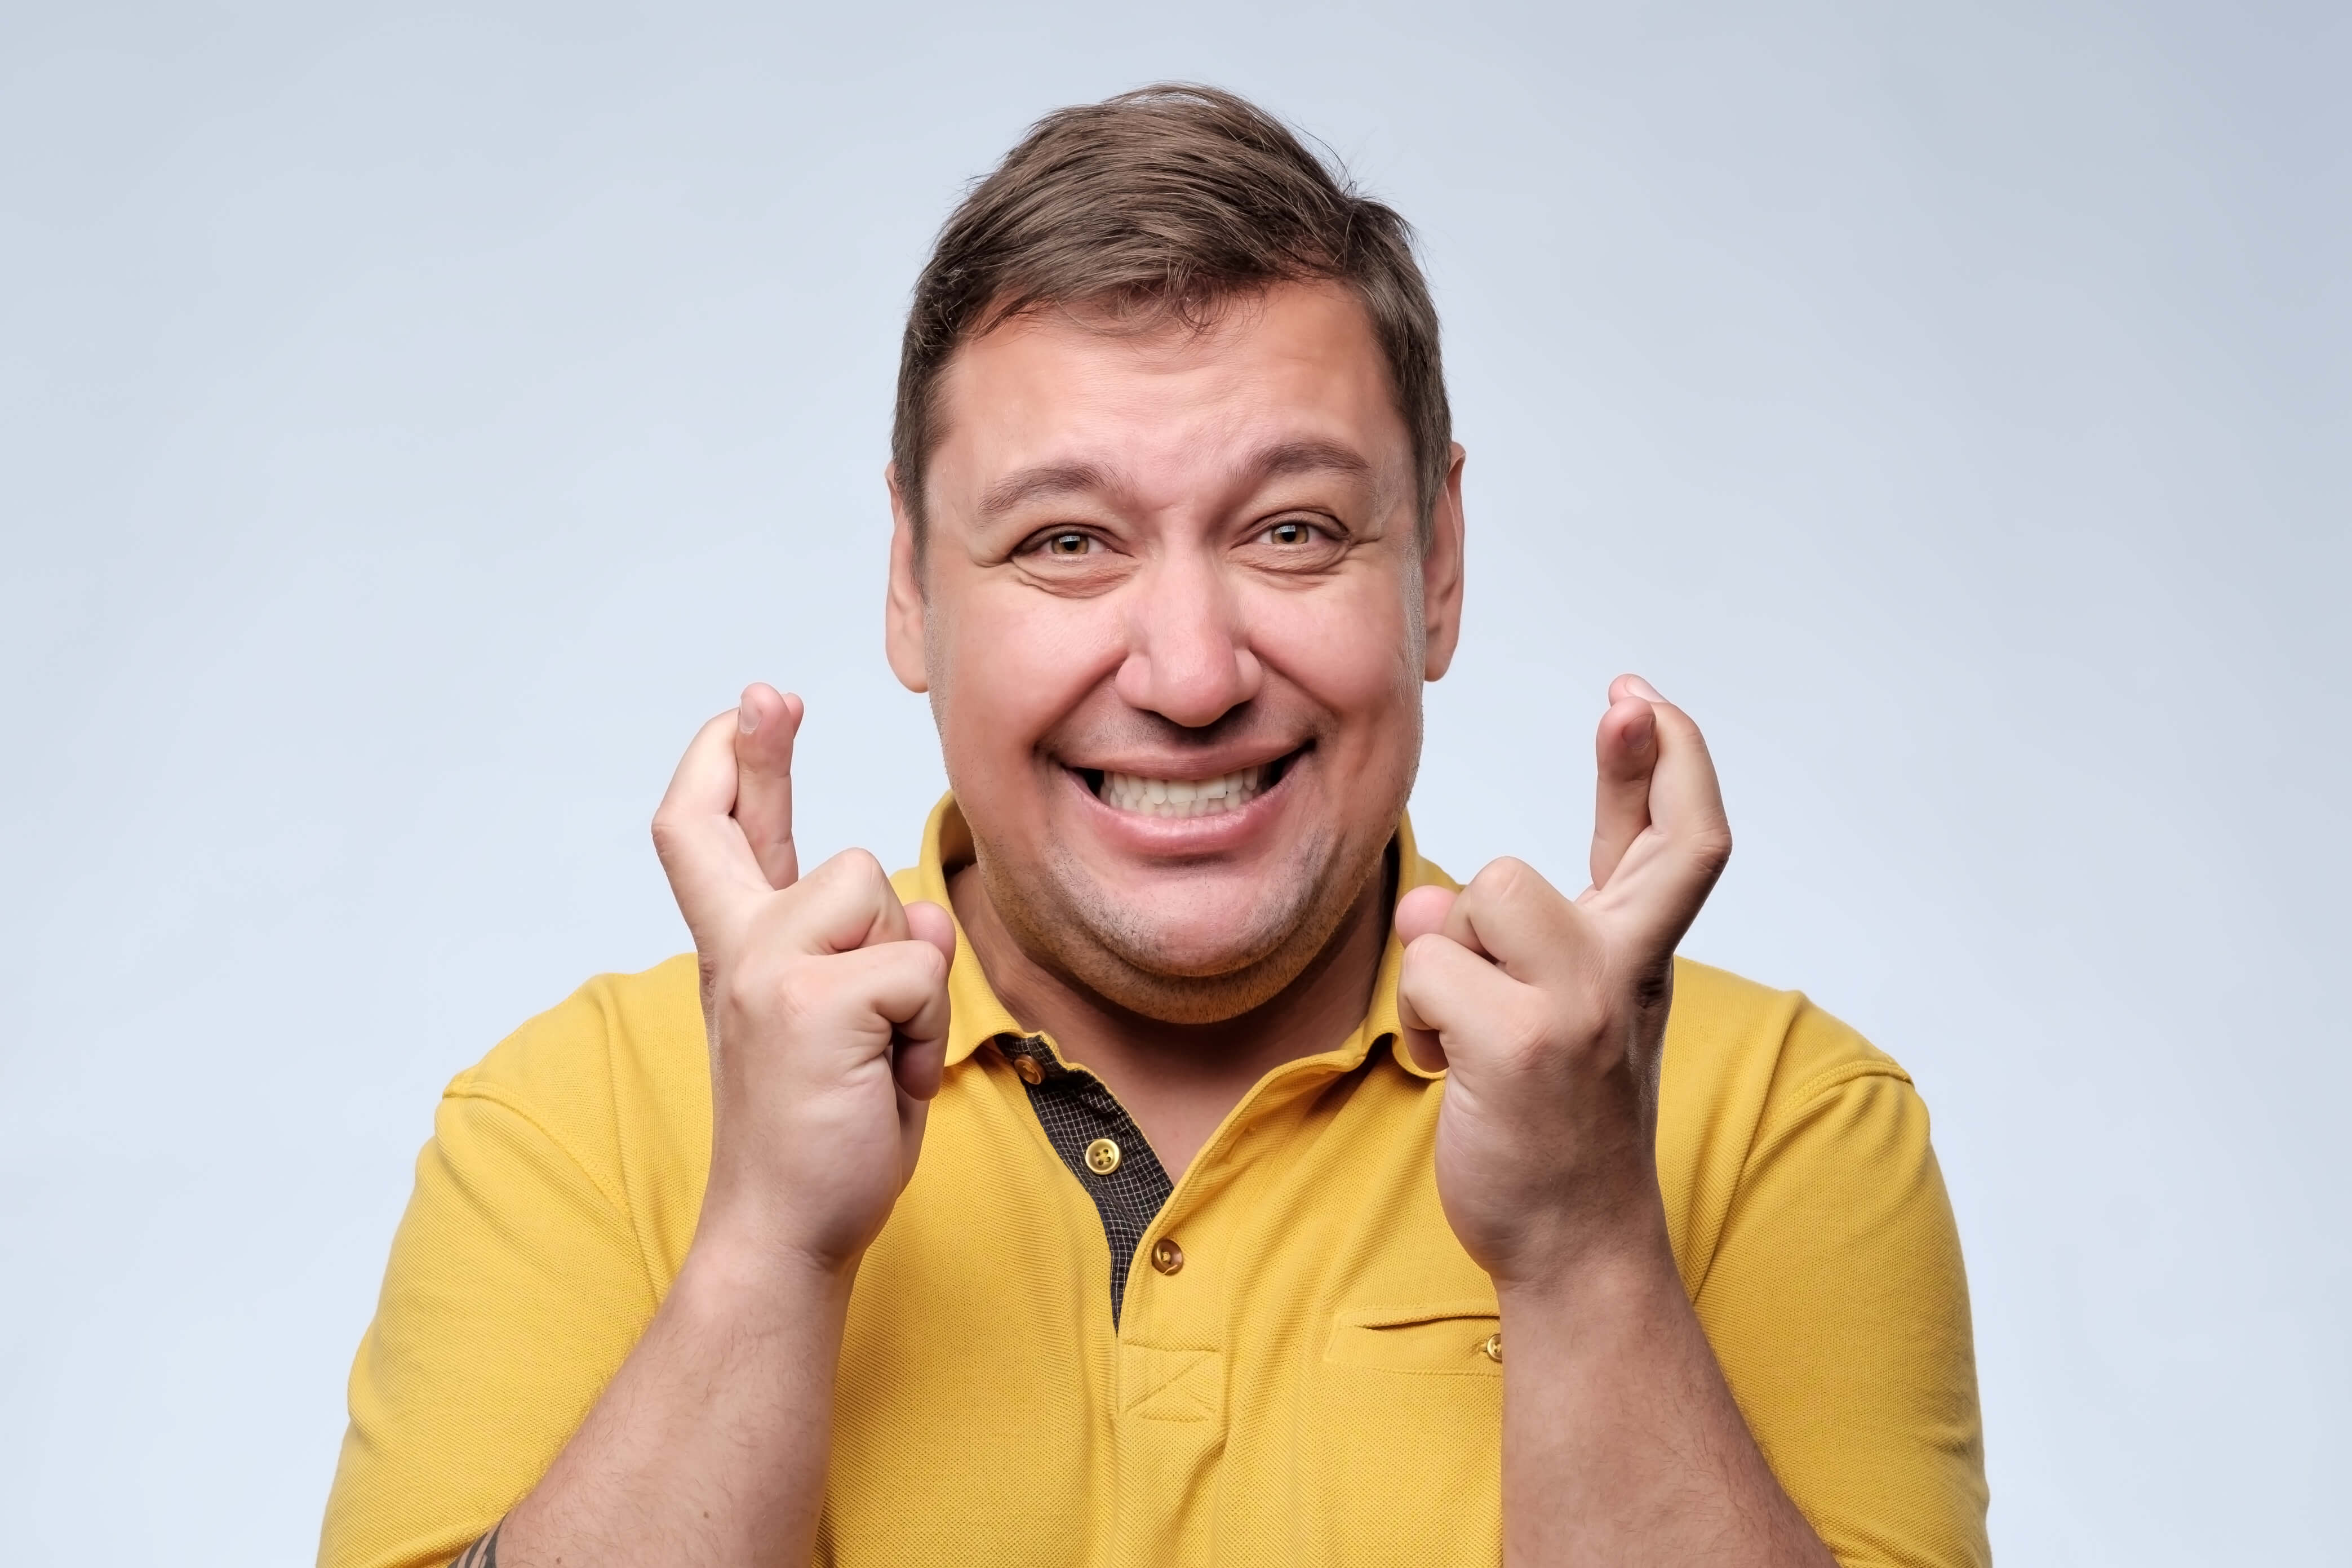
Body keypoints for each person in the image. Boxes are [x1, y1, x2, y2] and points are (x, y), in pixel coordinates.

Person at [319, 85, 1988, 1568]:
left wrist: (1583, 1250)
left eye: (1291, 529)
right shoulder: (572, 1122)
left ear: (1441, 565)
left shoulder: (1778, 1124)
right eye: (1065, 543)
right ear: (911, 585)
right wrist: (762, 1253)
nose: (1191, 675)